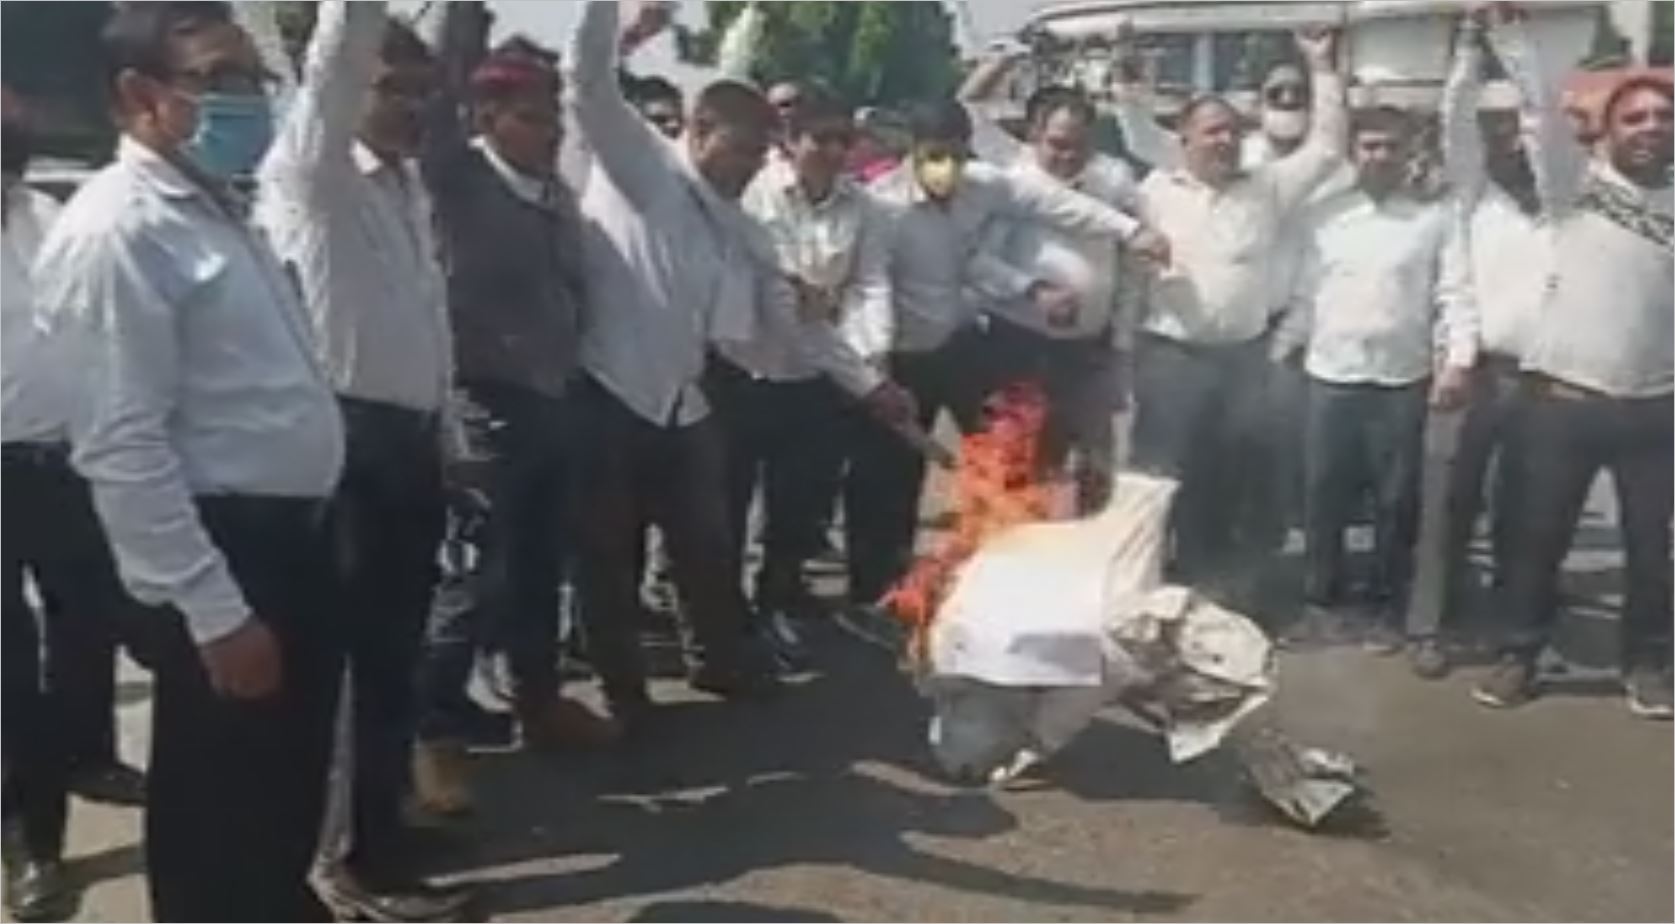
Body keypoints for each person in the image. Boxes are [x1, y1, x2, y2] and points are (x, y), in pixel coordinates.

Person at [32, 3, 345, 917]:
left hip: (290, 544)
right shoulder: (119, 231)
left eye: (255, 79)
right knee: (220, 809)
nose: (249, 102)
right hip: (224, 555)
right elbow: (122, 446)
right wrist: (213, 611)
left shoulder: (214, 208)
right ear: (138, 94)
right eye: (220, 79)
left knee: (278, 787)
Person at [564, 0, 900, 725]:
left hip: (684, 402)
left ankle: (718, 662)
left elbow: (794, 323)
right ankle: (624, 694)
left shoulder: (740, 223)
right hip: (606, 396)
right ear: (697, 129)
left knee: (706, 547)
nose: (750, 166)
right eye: (740, 149)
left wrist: (870, 384)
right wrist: (613, 15)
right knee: (609, 557)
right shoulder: (637, 167)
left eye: (759, 153)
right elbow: (586, 81)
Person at [254, 2, 468, 917]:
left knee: (392, 662)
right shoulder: (313, 174)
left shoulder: (404, 188)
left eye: (422, 91)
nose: (408, 106)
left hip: (410, 447)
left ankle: (379, 831)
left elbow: (429, 327)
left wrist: (449, 441)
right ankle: (342, 867)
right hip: (345, 449)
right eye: (391, 89)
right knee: (348, 674)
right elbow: (337, 59)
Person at [843, 96, 1167, 631]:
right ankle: (876, 595)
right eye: (932, 156)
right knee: (888, 481)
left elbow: (1054, 204)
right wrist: (875, 365)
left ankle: (995, 577)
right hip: (899, 355)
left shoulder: (984, 186)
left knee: (1001, 459)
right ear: (911, 153)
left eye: (955, 155)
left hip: (963, 344)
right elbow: (872, 285)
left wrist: (1130, 231)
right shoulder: (881, 207)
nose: (944, 169)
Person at [411, 2, 618, 817]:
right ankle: (430, 735)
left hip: (553, 406)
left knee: (540, 569)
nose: (550, 131)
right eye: (532, 118)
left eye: (553, 117)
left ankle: (539, 701)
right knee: (474, 580)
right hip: (485, 408)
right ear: (485, 118)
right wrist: (462, 18)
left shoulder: (552, 196)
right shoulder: (457, 179)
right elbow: (435, 96)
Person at [1472, 14, 1673, 718]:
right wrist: (1511, 36)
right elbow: (1537, 111)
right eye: (1635, 116)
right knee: (1535, 539)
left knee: (1653, 549)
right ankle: (1517, 656)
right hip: (1559, 400)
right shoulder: (1569, 186)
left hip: (1653, 405)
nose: (1649, 126)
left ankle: (1646, 666)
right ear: (1609, 129)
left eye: (1661, 116)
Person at [1124, 28, 1345, 604]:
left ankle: (1215, 590)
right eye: (1212, 131)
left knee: (1229, 479)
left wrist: (1321, 65)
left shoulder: (1267, 186)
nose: (1225, 141)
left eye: (1232, 130)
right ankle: (1143, 590)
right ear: (1185, 140)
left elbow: (1325, 149)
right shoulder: (1152, 191)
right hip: (1171, 360)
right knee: (1158, 480)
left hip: (1243, 362)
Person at [1272, 105, 1478, 653]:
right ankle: (1320, 603)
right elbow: (1304, 297)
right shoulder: (1324, 217)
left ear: (1408, 152)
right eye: (1369, 146)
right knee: (1322, 496)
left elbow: (1453, 294)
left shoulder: (1433, 219)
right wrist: (1277, 353)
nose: (1380, 156)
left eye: (1391, 146)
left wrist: (1457, 359)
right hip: (1330, 376)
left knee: (1396, 501)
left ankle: (1387, 608)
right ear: (1353, 152)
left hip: (1401, 379)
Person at [723, 85, 896, 667]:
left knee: (797, 504)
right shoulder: (756, 196)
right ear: (790, 142)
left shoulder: (864, 207)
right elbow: (785, 296)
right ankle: (726, 622)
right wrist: (857, 370)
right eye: (819, 138)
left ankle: (777, 602)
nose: (831, 150)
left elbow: (870, 286)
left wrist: (873, 358)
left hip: (819, 377)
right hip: (746, 371)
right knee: (731, 505)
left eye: (843, 140)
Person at [1403, 13, 1546, 679]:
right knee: (1446, 505)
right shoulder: (1472, 192)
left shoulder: (1571, 199)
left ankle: (1505, 629)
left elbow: (1544, 113)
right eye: (1494, 126)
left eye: (1514, 124)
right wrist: (1470, 45)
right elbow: (1452, 118)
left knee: (1524, 508)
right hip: (1471, 368)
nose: (1505, 136)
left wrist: (1521, 57)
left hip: (1547, 377)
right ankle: (1427, 627)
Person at [960, 51, 1146, 512]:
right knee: (1021, 461)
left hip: (1088, 349)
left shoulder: (1115, 180)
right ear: (1033, 137)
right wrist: (1000, 63)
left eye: (1078, 145)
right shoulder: (1008, 174)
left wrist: (1119, 341)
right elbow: (972, 260)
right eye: (1056, 144)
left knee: (1096, 464)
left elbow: (1132, 266)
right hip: (1018, 343)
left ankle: (1087, 562)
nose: (1066, 157)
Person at [3, 80, 96, 922]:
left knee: (88, 622)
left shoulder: (51, 216)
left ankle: (90, 755)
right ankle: (32, 844)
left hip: (65, 461)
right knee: (8, 667)